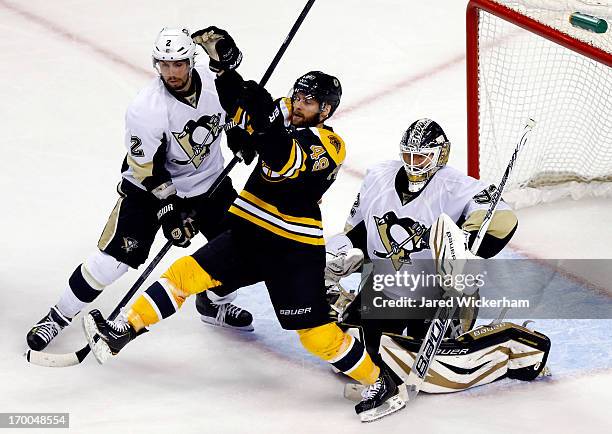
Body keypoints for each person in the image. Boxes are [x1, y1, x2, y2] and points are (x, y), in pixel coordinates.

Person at [81, 26, 406, 423]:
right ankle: (123, 331)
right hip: (249, 230)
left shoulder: (330, 146)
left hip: (293, 247)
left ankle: (380, 381)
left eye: (310, 101)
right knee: (184, 274)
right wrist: (226, 72)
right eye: (298, 96)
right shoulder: (284, 112)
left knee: (316, 336)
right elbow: (243, 107)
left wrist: (262, 123)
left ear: (326, 110)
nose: (299, 104)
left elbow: (282, 154)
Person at [26, 27, 254, 352]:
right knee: (112, 262)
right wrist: (170, 212)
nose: (171, 72)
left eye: (178, 64)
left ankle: (213, 303)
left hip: (209, 185)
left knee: (242, 249)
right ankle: (58, 316)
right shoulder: (146, 109)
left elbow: (235, 113)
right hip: (148, 190)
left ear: (190, 62)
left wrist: (239, 136)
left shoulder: (215, 84)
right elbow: (146, 168)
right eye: (164, 64)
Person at [323, 118, 547, 392]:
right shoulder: (378, 176)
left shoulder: (456, 185)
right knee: (352, 351)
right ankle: (348, 305)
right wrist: (349, 249)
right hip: (386, 285)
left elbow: (502, 218)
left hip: (437, 292)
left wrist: (467, 241)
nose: (415, 163)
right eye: (409, 155)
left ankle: (506, 339)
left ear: (441, 155)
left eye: (423, 156)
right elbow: (358, 228)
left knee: (423, 356)